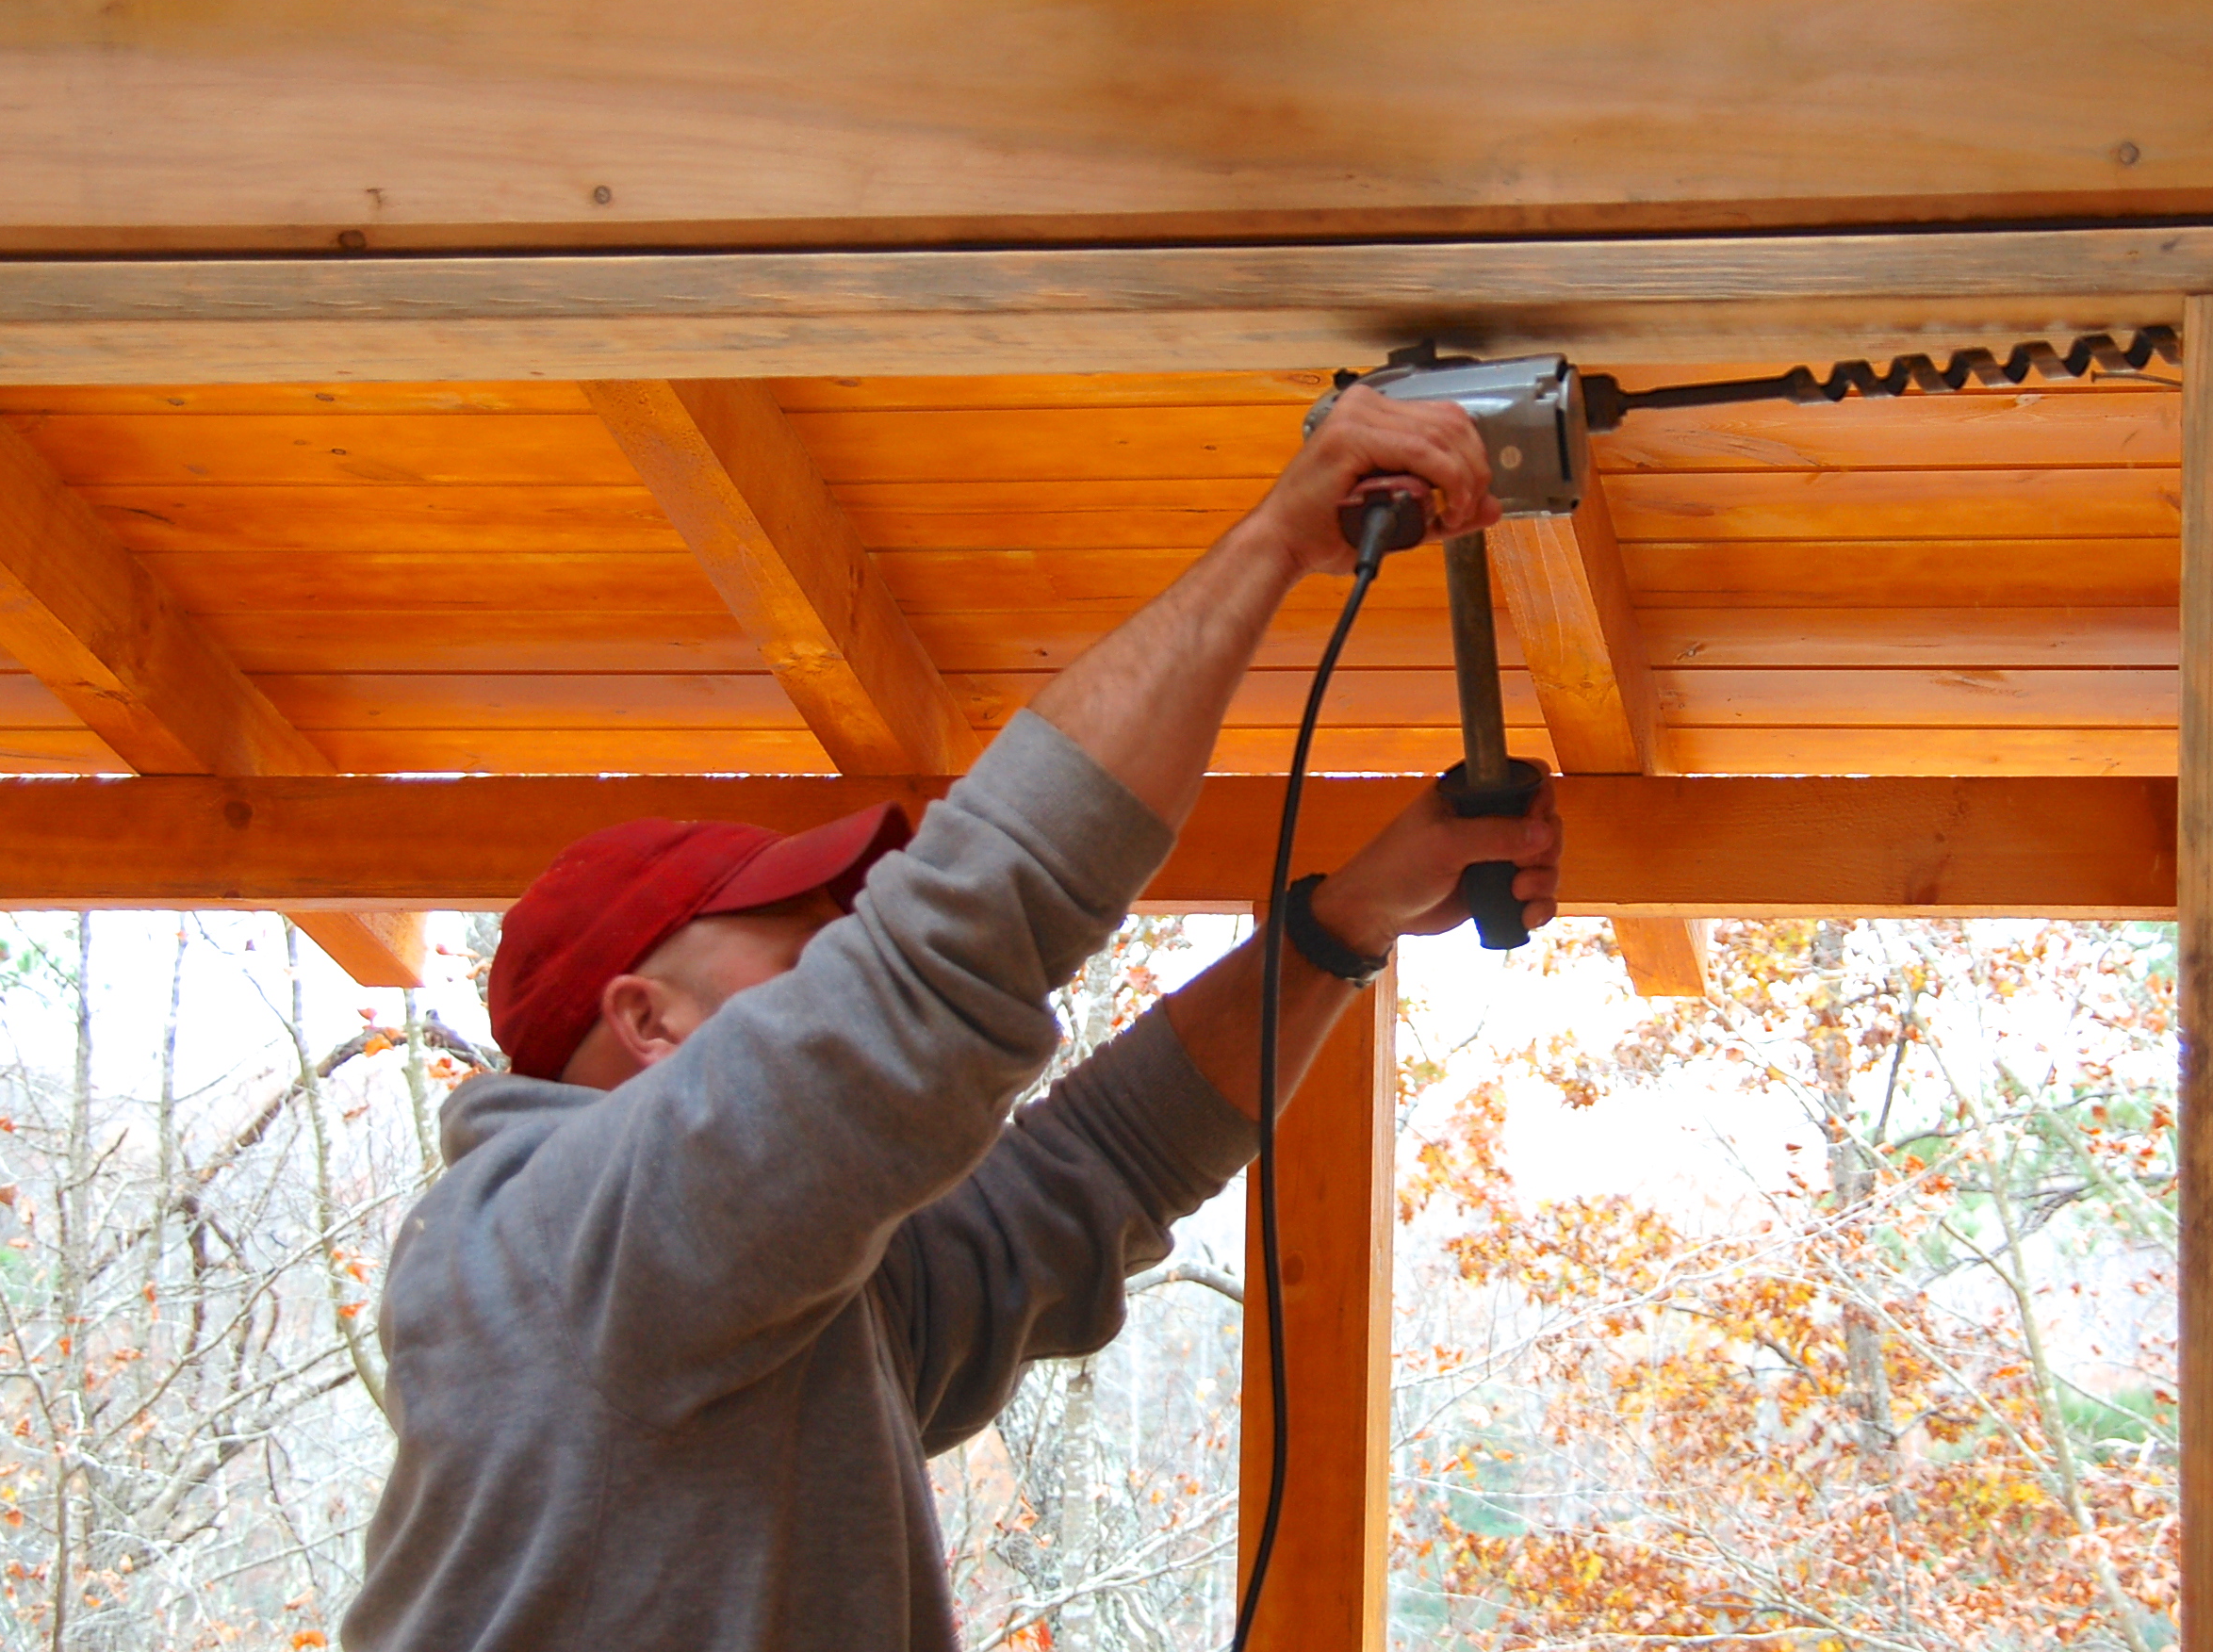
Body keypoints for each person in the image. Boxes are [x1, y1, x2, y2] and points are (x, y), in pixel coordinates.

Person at [343, 384, 1565, 1650]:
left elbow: (1096, 1170)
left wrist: (1343, 923)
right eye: (812, 952)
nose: (850, 973)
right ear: (649, 1022)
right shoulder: (565, 1240)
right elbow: (953, 953)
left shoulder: (768, 1300)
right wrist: (1275, 541)